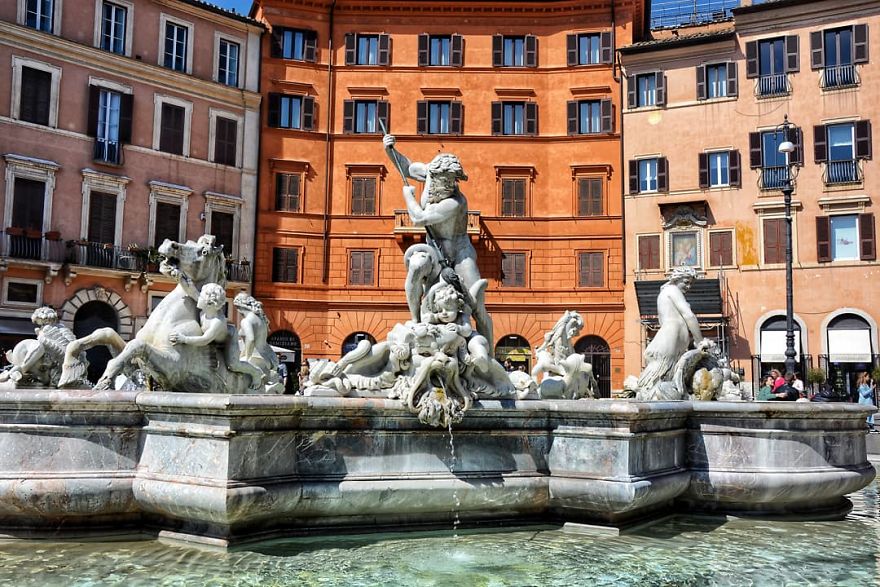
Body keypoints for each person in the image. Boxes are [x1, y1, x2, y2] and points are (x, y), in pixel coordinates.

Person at [383, 134, 493, 347]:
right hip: (434, 250)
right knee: (416, 266)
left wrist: (408, 196)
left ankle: (489, 353)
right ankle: (415, 320)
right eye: (446, 180)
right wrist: (390, 150)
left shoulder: (455, 202)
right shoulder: (427, 173)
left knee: (477, 306)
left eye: (453, 180)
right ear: (433, 175)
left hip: (460, 253)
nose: (450, 185)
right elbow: (406, 167)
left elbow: (419, 218)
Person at [635, 266, 704, 392]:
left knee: (665, 378)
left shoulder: (668, 292)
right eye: (686, 282)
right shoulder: (672, 289)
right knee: (656, 378)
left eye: (690, 284)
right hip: (670, 338)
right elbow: (688, 315)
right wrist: (700, 341)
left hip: (672, 338)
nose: (688, 287)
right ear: (676, 279)